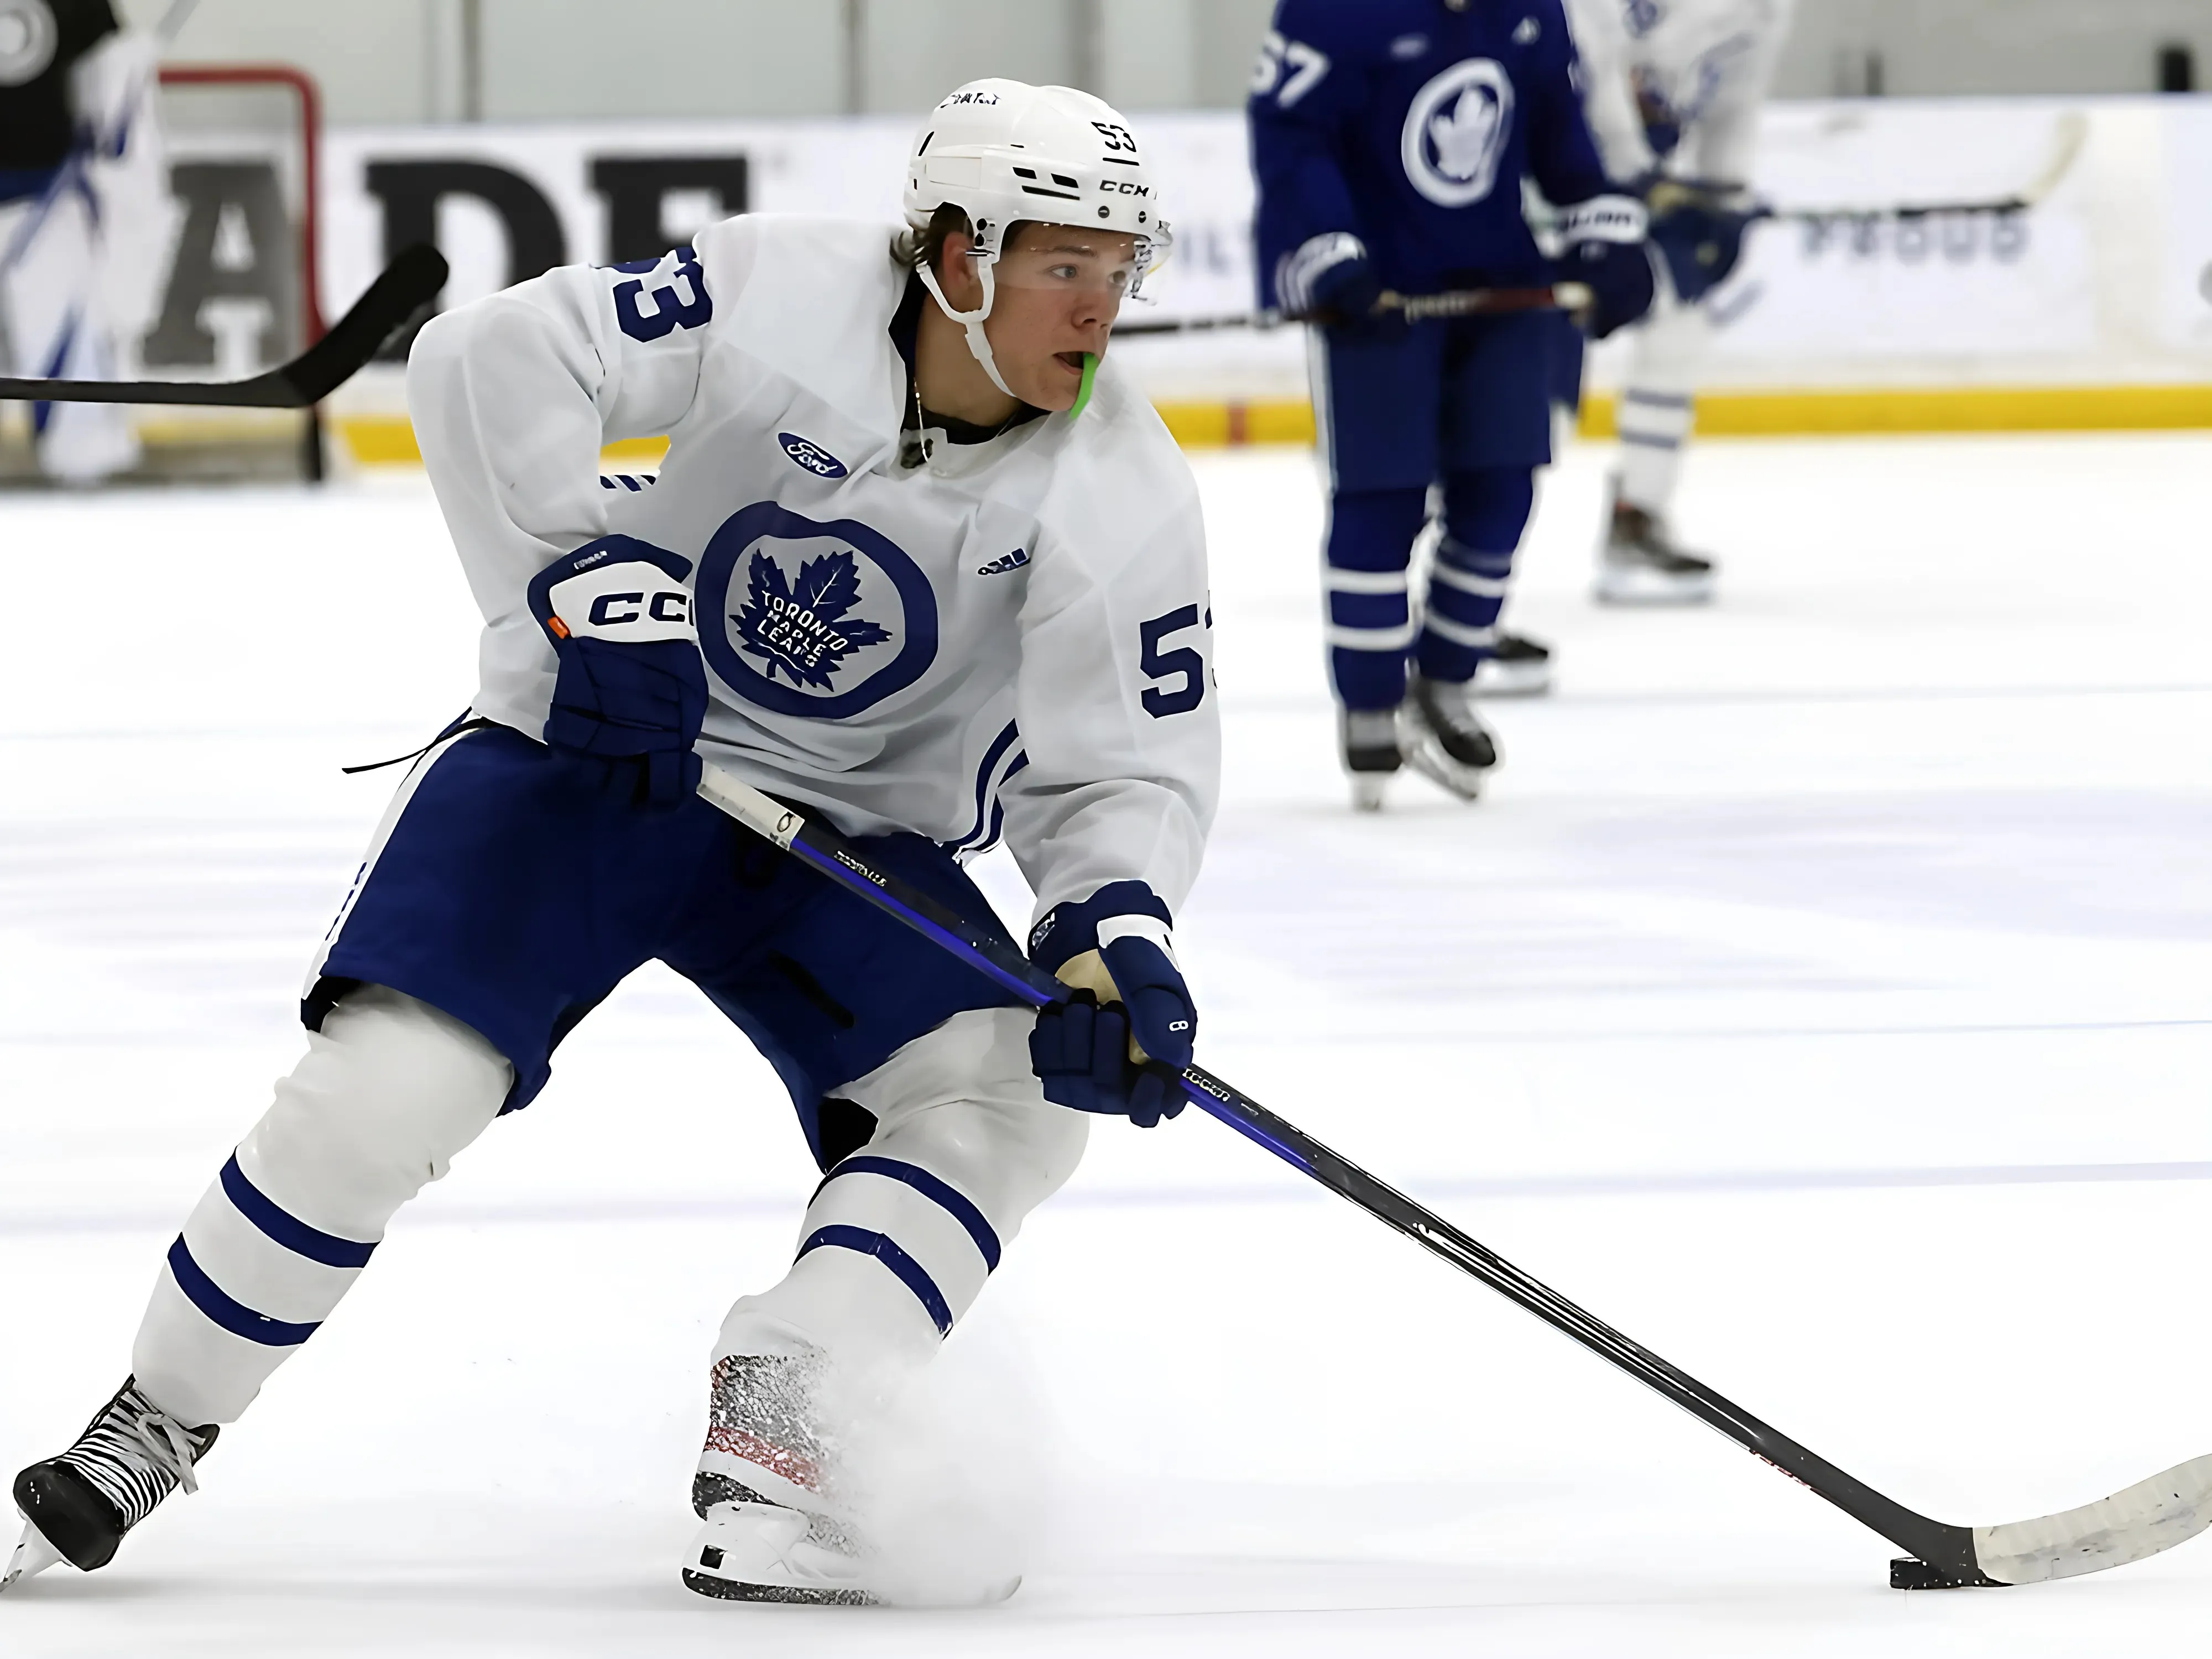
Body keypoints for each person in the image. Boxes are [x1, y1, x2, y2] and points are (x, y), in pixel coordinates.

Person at [5, 78, 1218, 1606]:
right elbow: (489, 358)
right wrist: (579, 579)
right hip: (598, 758)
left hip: (835, 836)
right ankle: (155, 1417)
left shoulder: (1123, 488)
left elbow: (1124, 770)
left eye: (1124, 268)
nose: (1101, 308)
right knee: (386, 1092)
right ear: (958, 256)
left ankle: (788, 1423)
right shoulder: (783, 287)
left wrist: (1118, 938)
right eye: (1066, 264)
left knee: (1007, 1087)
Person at [1249, 0, 1659, 811]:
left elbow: (1560, 140)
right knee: (1382, 498)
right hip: (1381, 295)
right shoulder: (1333, 13)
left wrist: (1607, 239)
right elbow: (1294, 138)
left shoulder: (1529, 11)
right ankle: (1369, 700)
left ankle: (1444, 679)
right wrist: (1331, 252)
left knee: (1503, 491)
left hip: (1503, 285)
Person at [1561, 0, 1796, 603]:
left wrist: (1726, 196)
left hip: (1639, 173)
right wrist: (1635, 174)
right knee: (1538, 359)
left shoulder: (1765, 10)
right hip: (1547, 161)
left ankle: (1638, 512)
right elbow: (1590, 68)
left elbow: (1734, 105)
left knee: (1679, 332)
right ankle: (1429, 522)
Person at [0, 0, 173, 483]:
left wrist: (127, 70)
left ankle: (83, 466)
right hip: (42, 196)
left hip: (44, 198)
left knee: (66, 352)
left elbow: (104, 66)